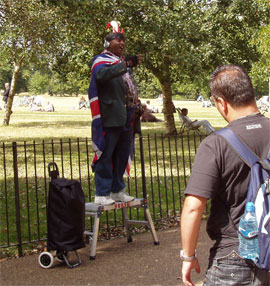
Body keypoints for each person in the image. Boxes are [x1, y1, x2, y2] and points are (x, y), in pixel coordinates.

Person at [180, 64, 270, 286]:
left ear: (221, 102)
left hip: (236, 254)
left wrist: (188, 256)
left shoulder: (215, 145)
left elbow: (193, 207)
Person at [88, 30, 143, 206]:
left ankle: (117, 190)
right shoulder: (101, 61)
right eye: (117, 40)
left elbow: (128, 86)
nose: (122, 43)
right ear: (107, 43)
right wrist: (124, 63)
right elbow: (101, 76)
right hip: (111, 115)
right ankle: (102, 193)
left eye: (123, 41)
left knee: (122, 153)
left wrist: (137, 103)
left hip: (128, 115)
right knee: (107, 153)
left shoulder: (121, 63)